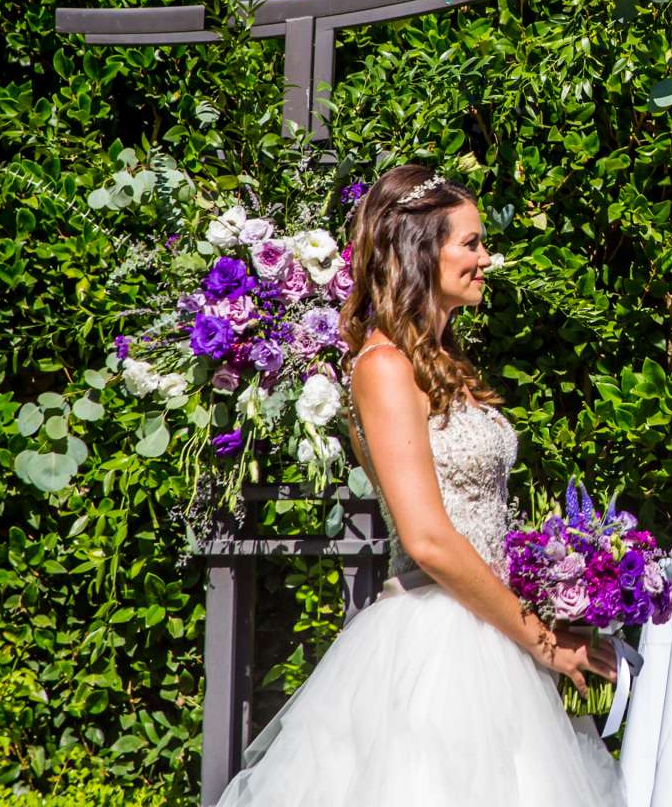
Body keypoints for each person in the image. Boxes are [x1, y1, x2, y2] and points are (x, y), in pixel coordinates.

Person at [215, 164, 621, 806]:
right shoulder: (383, 368)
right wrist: (542, 641)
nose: (487, 257)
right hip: (436, 647)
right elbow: (428, 538)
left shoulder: (443, 364)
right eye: (473, 242)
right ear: (422, 251)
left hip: (492, 629)